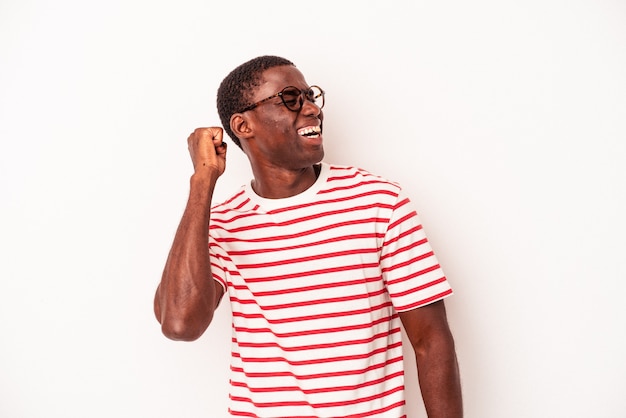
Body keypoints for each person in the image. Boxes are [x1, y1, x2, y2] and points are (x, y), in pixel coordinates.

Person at [154, 55, 463, 418]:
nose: (312, 109)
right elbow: (179, 324)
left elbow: (431, 342)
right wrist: (202, 181)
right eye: (290, 98)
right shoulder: (222, 223)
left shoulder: (378, 202)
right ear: (243, 125)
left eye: (310, 95)